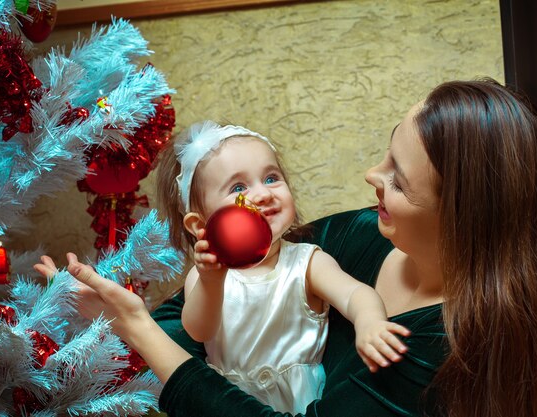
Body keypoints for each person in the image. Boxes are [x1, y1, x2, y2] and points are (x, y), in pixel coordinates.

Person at [35, 79, 537, 417]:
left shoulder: (439, 348)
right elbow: (195, 318)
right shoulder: (365, 233)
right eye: (386, 155)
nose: (371, 176)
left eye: (399, 181)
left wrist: (141, 331)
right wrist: (118, 321)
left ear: (461, 219)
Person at [166, 120, 411, 413]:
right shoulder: (207, 276)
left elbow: (354, 294)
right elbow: (198, 331)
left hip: (299, 402)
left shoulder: (306, 262)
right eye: (239, 187)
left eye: (271, 178)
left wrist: (369, 322)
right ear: (200, 223)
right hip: (227, 404)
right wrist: (210, 281)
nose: (263, 194)